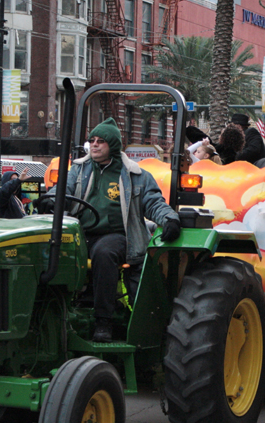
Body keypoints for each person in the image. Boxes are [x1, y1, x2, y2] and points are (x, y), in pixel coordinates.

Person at [55, 118, 180, 342]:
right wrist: (53, 201)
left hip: (118, 236)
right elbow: (62, 190)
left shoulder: (135, 176)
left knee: (104, 252)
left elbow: (153, 203)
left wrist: (169, 218)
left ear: (112, 145)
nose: (94, 145)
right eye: (91, 140)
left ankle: (104, 321)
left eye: (100, 141)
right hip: (80, 234)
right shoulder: (78, 170)